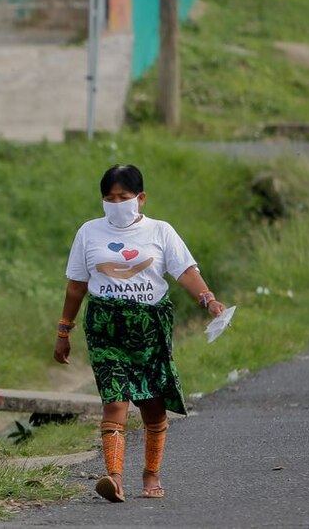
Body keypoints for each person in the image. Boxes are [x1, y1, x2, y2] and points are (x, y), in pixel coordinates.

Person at [54, 164, 225, 503]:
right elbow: (76, 287)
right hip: (106, 327)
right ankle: (114, 478)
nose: (116, 203)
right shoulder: (88, 232)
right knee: (115, 401)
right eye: (109, 197)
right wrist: (64, 331)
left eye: (124, 197)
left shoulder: (160, 232)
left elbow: (185, 271)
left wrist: (208, 300)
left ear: (141, 198)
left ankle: (151, 472)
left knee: (152, 403)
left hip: (150, 329)